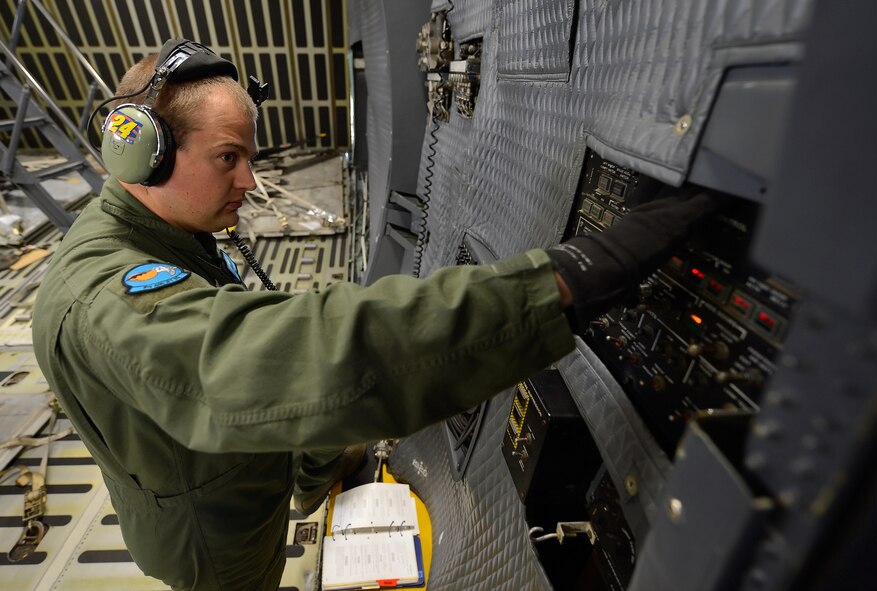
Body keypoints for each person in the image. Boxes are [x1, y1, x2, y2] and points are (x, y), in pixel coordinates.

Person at [31, 39, 717, 591]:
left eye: (249, 156)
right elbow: (278, 361)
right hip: (217, 544)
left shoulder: (168, 238)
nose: (249, 181)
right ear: (140, 154)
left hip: (243, 490)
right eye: (228, 158)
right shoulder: (106, 297)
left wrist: (308, 477)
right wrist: (561, 281)